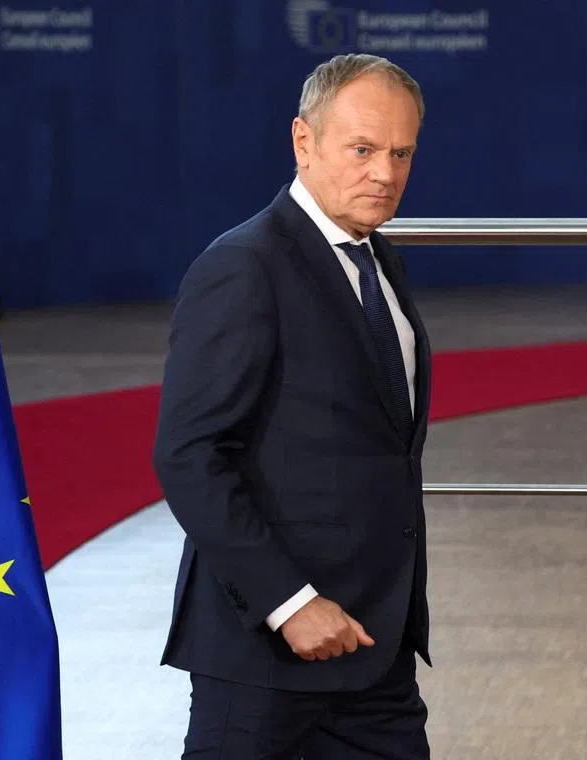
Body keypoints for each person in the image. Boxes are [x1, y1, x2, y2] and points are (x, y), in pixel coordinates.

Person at [152, 53, 433, 759]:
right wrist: (291, 602)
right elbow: (188, 456)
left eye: (401, 153)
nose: (385, 173)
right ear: (303, 142)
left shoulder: (379, 260)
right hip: (264, 661)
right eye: (362, 149)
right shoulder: (243, 265)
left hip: (374, 652)